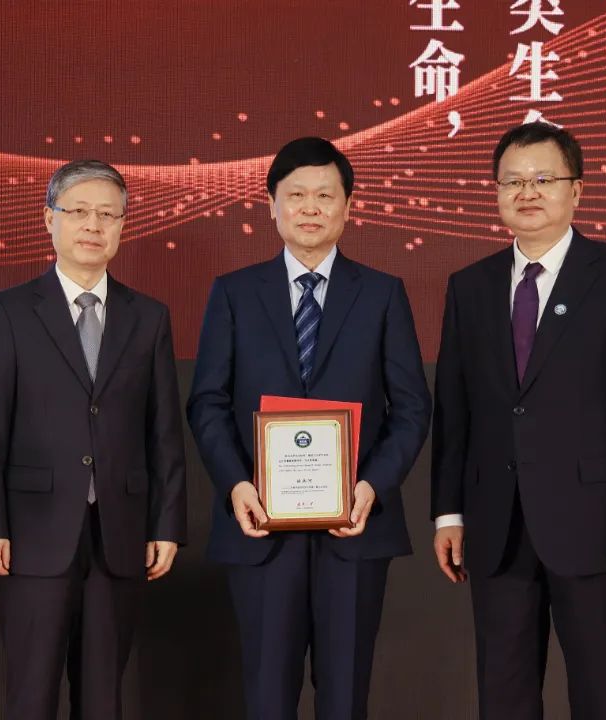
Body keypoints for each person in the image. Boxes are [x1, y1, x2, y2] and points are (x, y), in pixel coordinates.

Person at [431, 122, 606, 720]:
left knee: (600, 694)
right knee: (503, 695)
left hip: (596, 523)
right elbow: (455, 411)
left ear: (577, 190)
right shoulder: (469, 287)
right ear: (496, 192)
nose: (527, 192)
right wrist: (449, 512)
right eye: (512, 181)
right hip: (496, 524)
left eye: (543, 179)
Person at [187, 137, 431, 720]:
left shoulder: (382, 294)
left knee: (345, 698)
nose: (310, 207)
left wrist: (370, 487)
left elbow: (411, 407)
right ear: (271, 204)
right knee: (267, 697)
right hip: (259, 526)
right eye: (296, 195)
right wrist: (237, 485)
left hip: (355, 526)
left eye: (325, 195)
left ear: (349, 206)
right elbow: (207, 403)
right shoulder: (234, 293)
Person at [0, 159, 187, 719]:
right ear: (49, 219)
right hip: (31, 535)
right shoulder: (8, 311)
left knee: (103, 697)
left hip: (120, 534)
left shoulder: (149, 317)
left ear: (122, 227)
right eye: (80, 211)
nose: (93, 225)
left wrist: (166, 524)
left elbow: (163, 431)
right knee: (31, 695)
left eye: (108, 215)